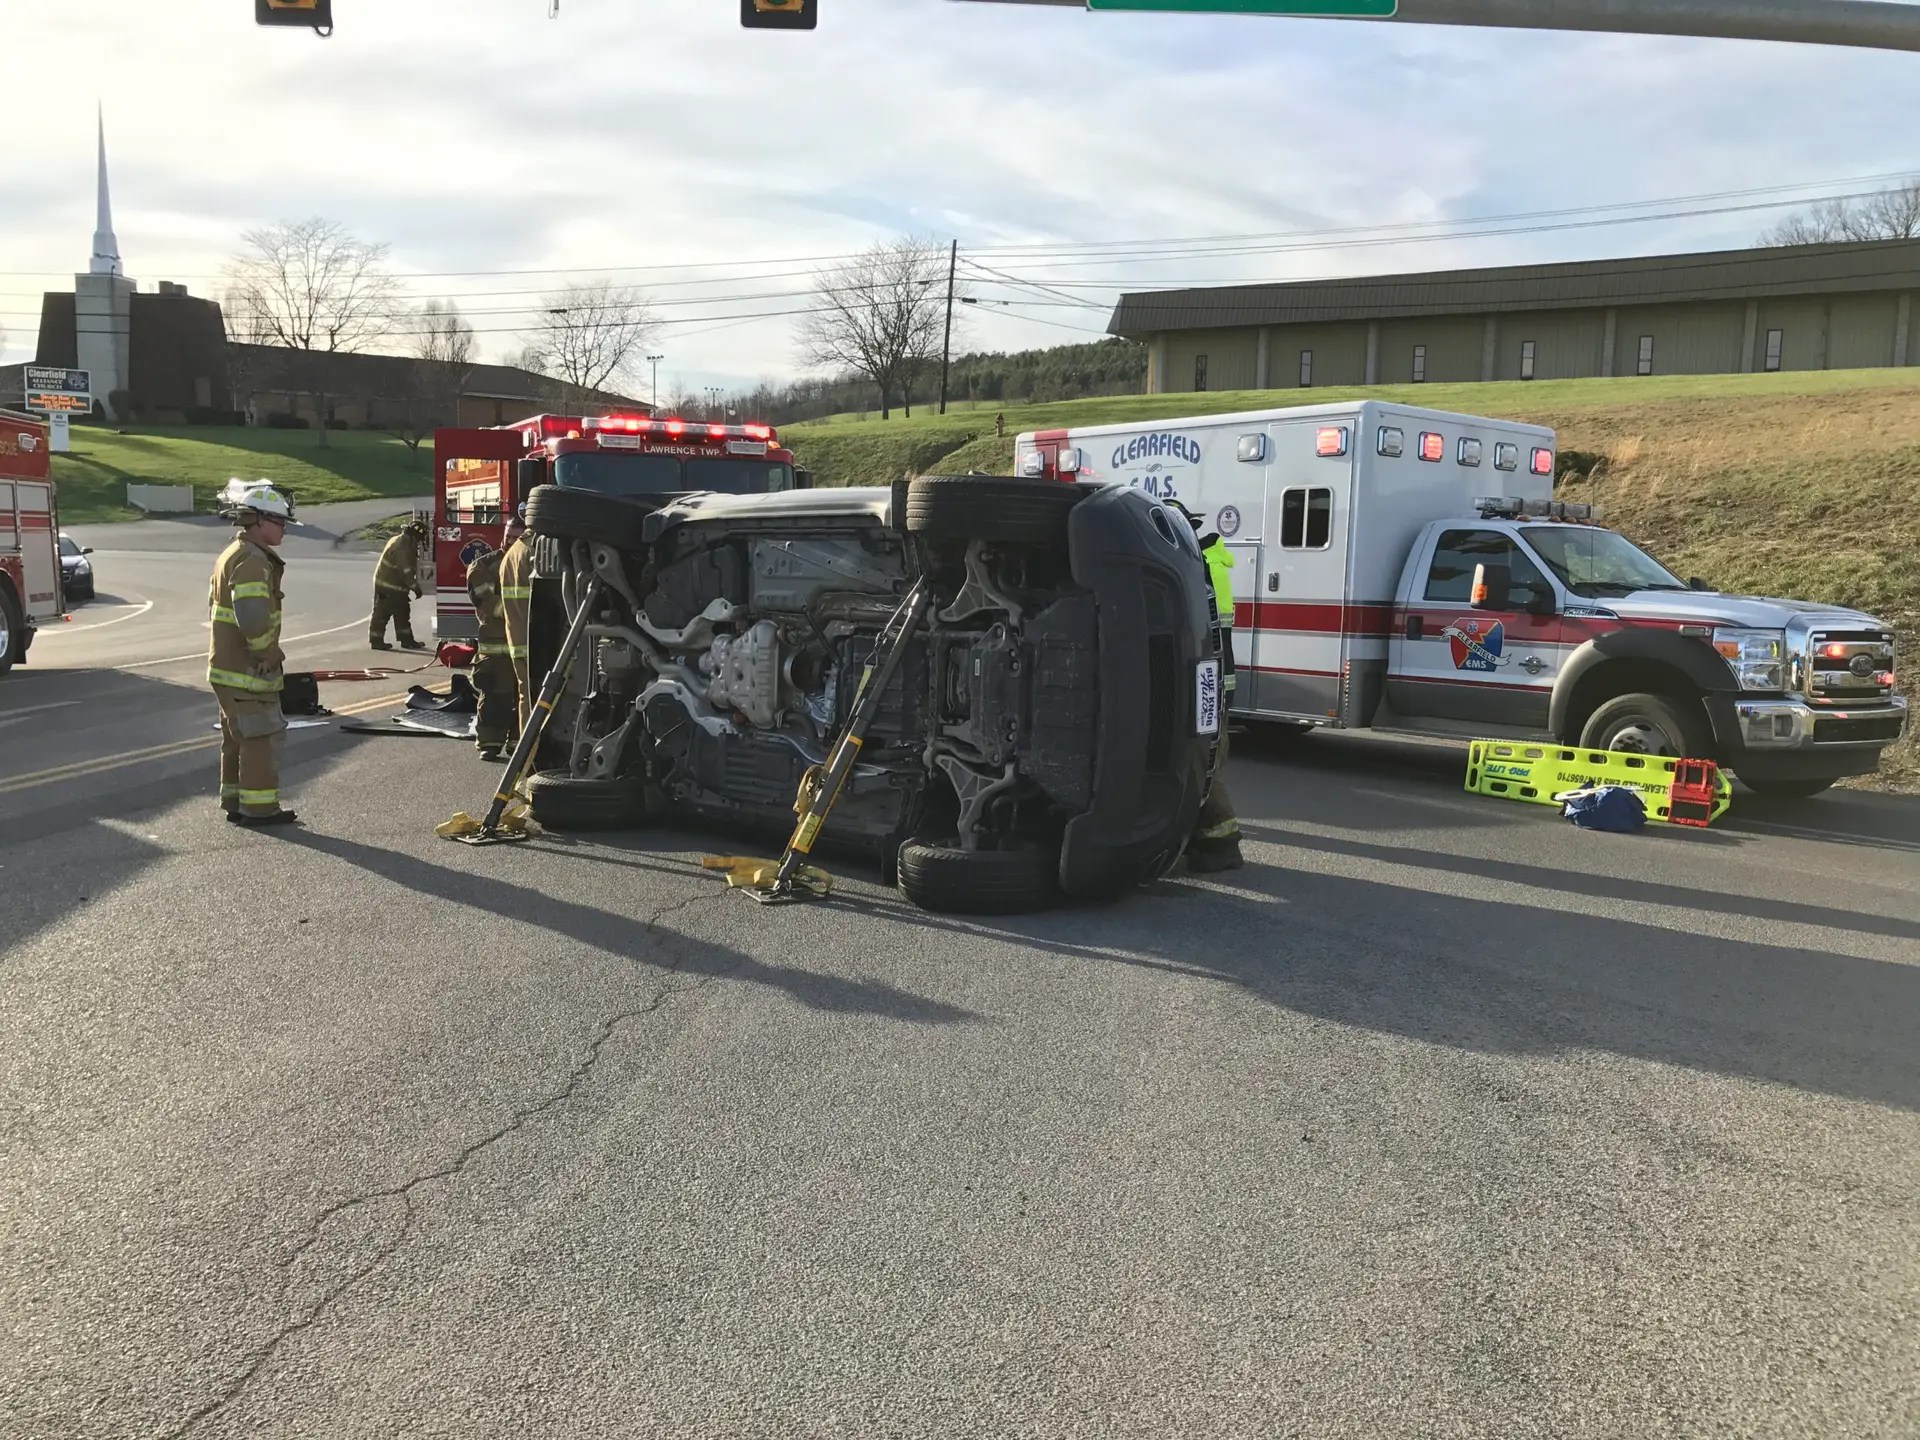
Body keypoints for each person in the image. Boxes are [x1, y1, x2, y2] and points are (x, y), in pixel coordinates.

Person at [208, 479, 299, 828]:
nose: (284, 530)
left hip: (228, 669)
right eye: (279, 522)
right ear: (258, 521)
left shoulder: (236, 553)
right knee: (260, 738)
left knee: (236, 738)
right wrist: (267, 654)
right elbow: (252, 616)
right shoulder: (252, 560)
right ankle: (260, 809)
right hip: (247, 671)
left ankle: (236, 801)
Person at [1168, 499, 1243, 872]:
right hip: (1214, 681)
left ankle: (1221, 845)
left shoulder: (1195, 566)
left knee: (1203, 765)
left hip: (1204, 683)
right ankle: (1202, 841)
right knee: (1204, 762)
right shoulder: (1208, 561)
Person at [465, 519, 520, 763]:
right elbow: (487, 604)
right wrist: (523, 610)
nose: (512, 541)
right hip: (496, 644)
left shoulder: (532, 563)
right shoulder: (484, 566)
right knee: (496, 693)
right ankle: (489, 743)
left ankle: (519, 742)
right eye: (509, 535)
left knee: (524, 694)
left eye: (518, 537)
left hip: (525, 642)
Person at [497, 503, 537, 742]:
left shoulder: (511, 555)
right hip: (537, 643)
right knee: (540, 700)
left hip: (519, 642)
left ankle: (527, 752)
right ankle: (534, 754)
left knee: (527, 697)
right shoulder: (535, 551)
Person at [371, 516, 428, 651]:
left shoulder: (401, 541)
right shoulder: (402, 549)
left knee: (402, 611)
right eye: (419, 540)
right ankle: (376, 641)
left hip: (395, 586)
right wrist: (415, 588)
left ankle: (406, 640)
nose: (419, 543)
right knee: (382, 613)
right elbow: (406, 572)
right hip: (388, 586)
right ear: (414, 537)